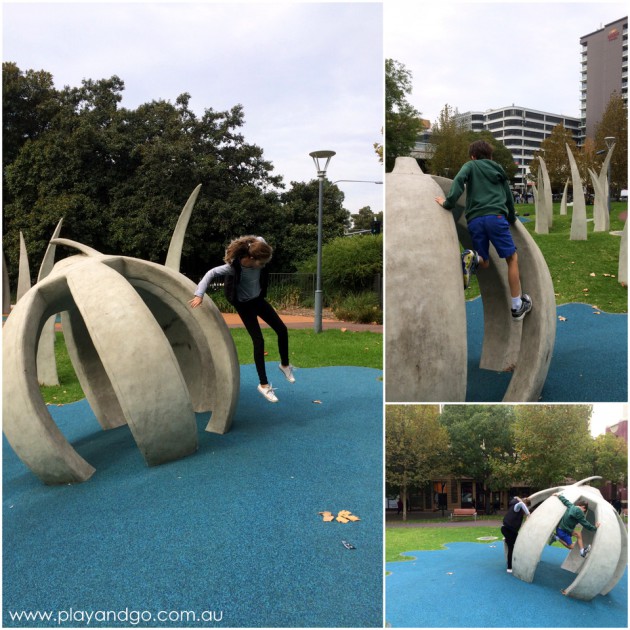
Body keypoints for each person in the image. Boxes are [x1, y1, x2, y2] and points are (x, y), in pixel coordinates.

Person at [189, 235, 295, 403]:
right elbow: (210, 273)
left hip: (258, 300)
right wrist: (199, 294)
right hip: (244, 305)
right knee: (258, 341)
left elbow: (258, 239)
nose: (264, 266)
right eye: (262, 264)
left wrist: (254, 240)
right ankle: (264, 385)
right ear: (252, 259)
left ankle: (284, 365)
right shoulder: (233, 268)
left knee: (282, 329)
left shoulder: (259, 249)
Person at [435, 140, 532, 321]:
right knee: (512, 258)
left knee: (484, 261)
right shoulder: (498, 169)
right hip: (496, 218)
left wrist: (448, 203)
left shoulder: (470, 166)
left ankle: (472, 256)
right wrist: (511, 217)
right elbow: (508, 197)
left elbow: (458, 181)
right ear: (490, 155)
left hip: (475, 220)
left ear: (473, 156)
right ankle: (517, 306)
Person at [548, 493, 600, 558]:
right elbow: (585, 524)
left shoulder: (571, 506)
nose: (584, 513)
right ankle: (556, 537)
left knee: (578, 534)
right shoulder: (580, 513)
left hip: (561, 528)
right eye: (585, 511)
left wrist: (558, 495)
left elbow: (565, 501)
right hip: (563, 531)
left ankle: (582, 552)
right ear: (583, 508)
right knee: (571, 547)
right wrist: (594, 528)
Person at [501, 496, 531, 573]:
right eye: (527, 507)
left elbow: (516, 497)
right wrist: (528, 514)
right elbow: (521, 503)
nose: (526, 509)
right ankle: (509, 567)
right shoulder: (517, 507)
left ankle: (517, 560)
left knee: (518, 543)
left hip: (513, 531)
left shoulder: (520, 512)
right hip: (506, 529)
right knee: (511, 547)